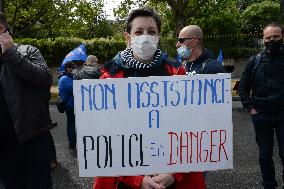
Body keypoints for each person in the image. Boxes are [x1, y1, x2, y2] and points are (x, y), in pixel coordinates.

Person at [93, 7, 205, 189]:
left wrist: (174, 172)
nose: (145, 36)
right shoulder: (109, 79)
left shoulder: (176, 73)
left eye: (151, 32)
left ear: (158, 36)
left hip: (170, 177)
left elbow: (191, 129)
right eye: (138, 32)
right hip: (124, 180)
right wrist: (136, 178)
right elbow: (103, 139)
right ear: (127, 37)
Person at [0, 13, 54, 188]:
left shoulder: (28, 51)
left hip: (33, 138)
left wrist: (11, 53)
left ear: (8, 31)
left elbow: (45, 80)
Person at [239, 22, 284, 189]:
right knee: (265, 156)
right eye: (268, 38)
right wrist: (251, 110)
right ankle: (269, 185)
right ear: (263, 40)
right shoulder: (254, 61)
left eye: (276, 37)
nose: (272, 40)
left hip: (282, 114)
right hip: (261, 115)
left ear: (282, 37)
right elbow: (243, 88)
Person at [58, 61, 76, 150]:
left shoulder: (65, 77)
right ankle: (72, 142)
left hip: (70, 105)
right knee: (72, 124)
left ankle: (72, 141)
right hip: (70, 105)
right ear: (68, 69)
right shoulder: (65, 79)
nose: (75, 70)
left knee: (71, 123)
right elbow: (74, 89)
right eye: (73, 68)